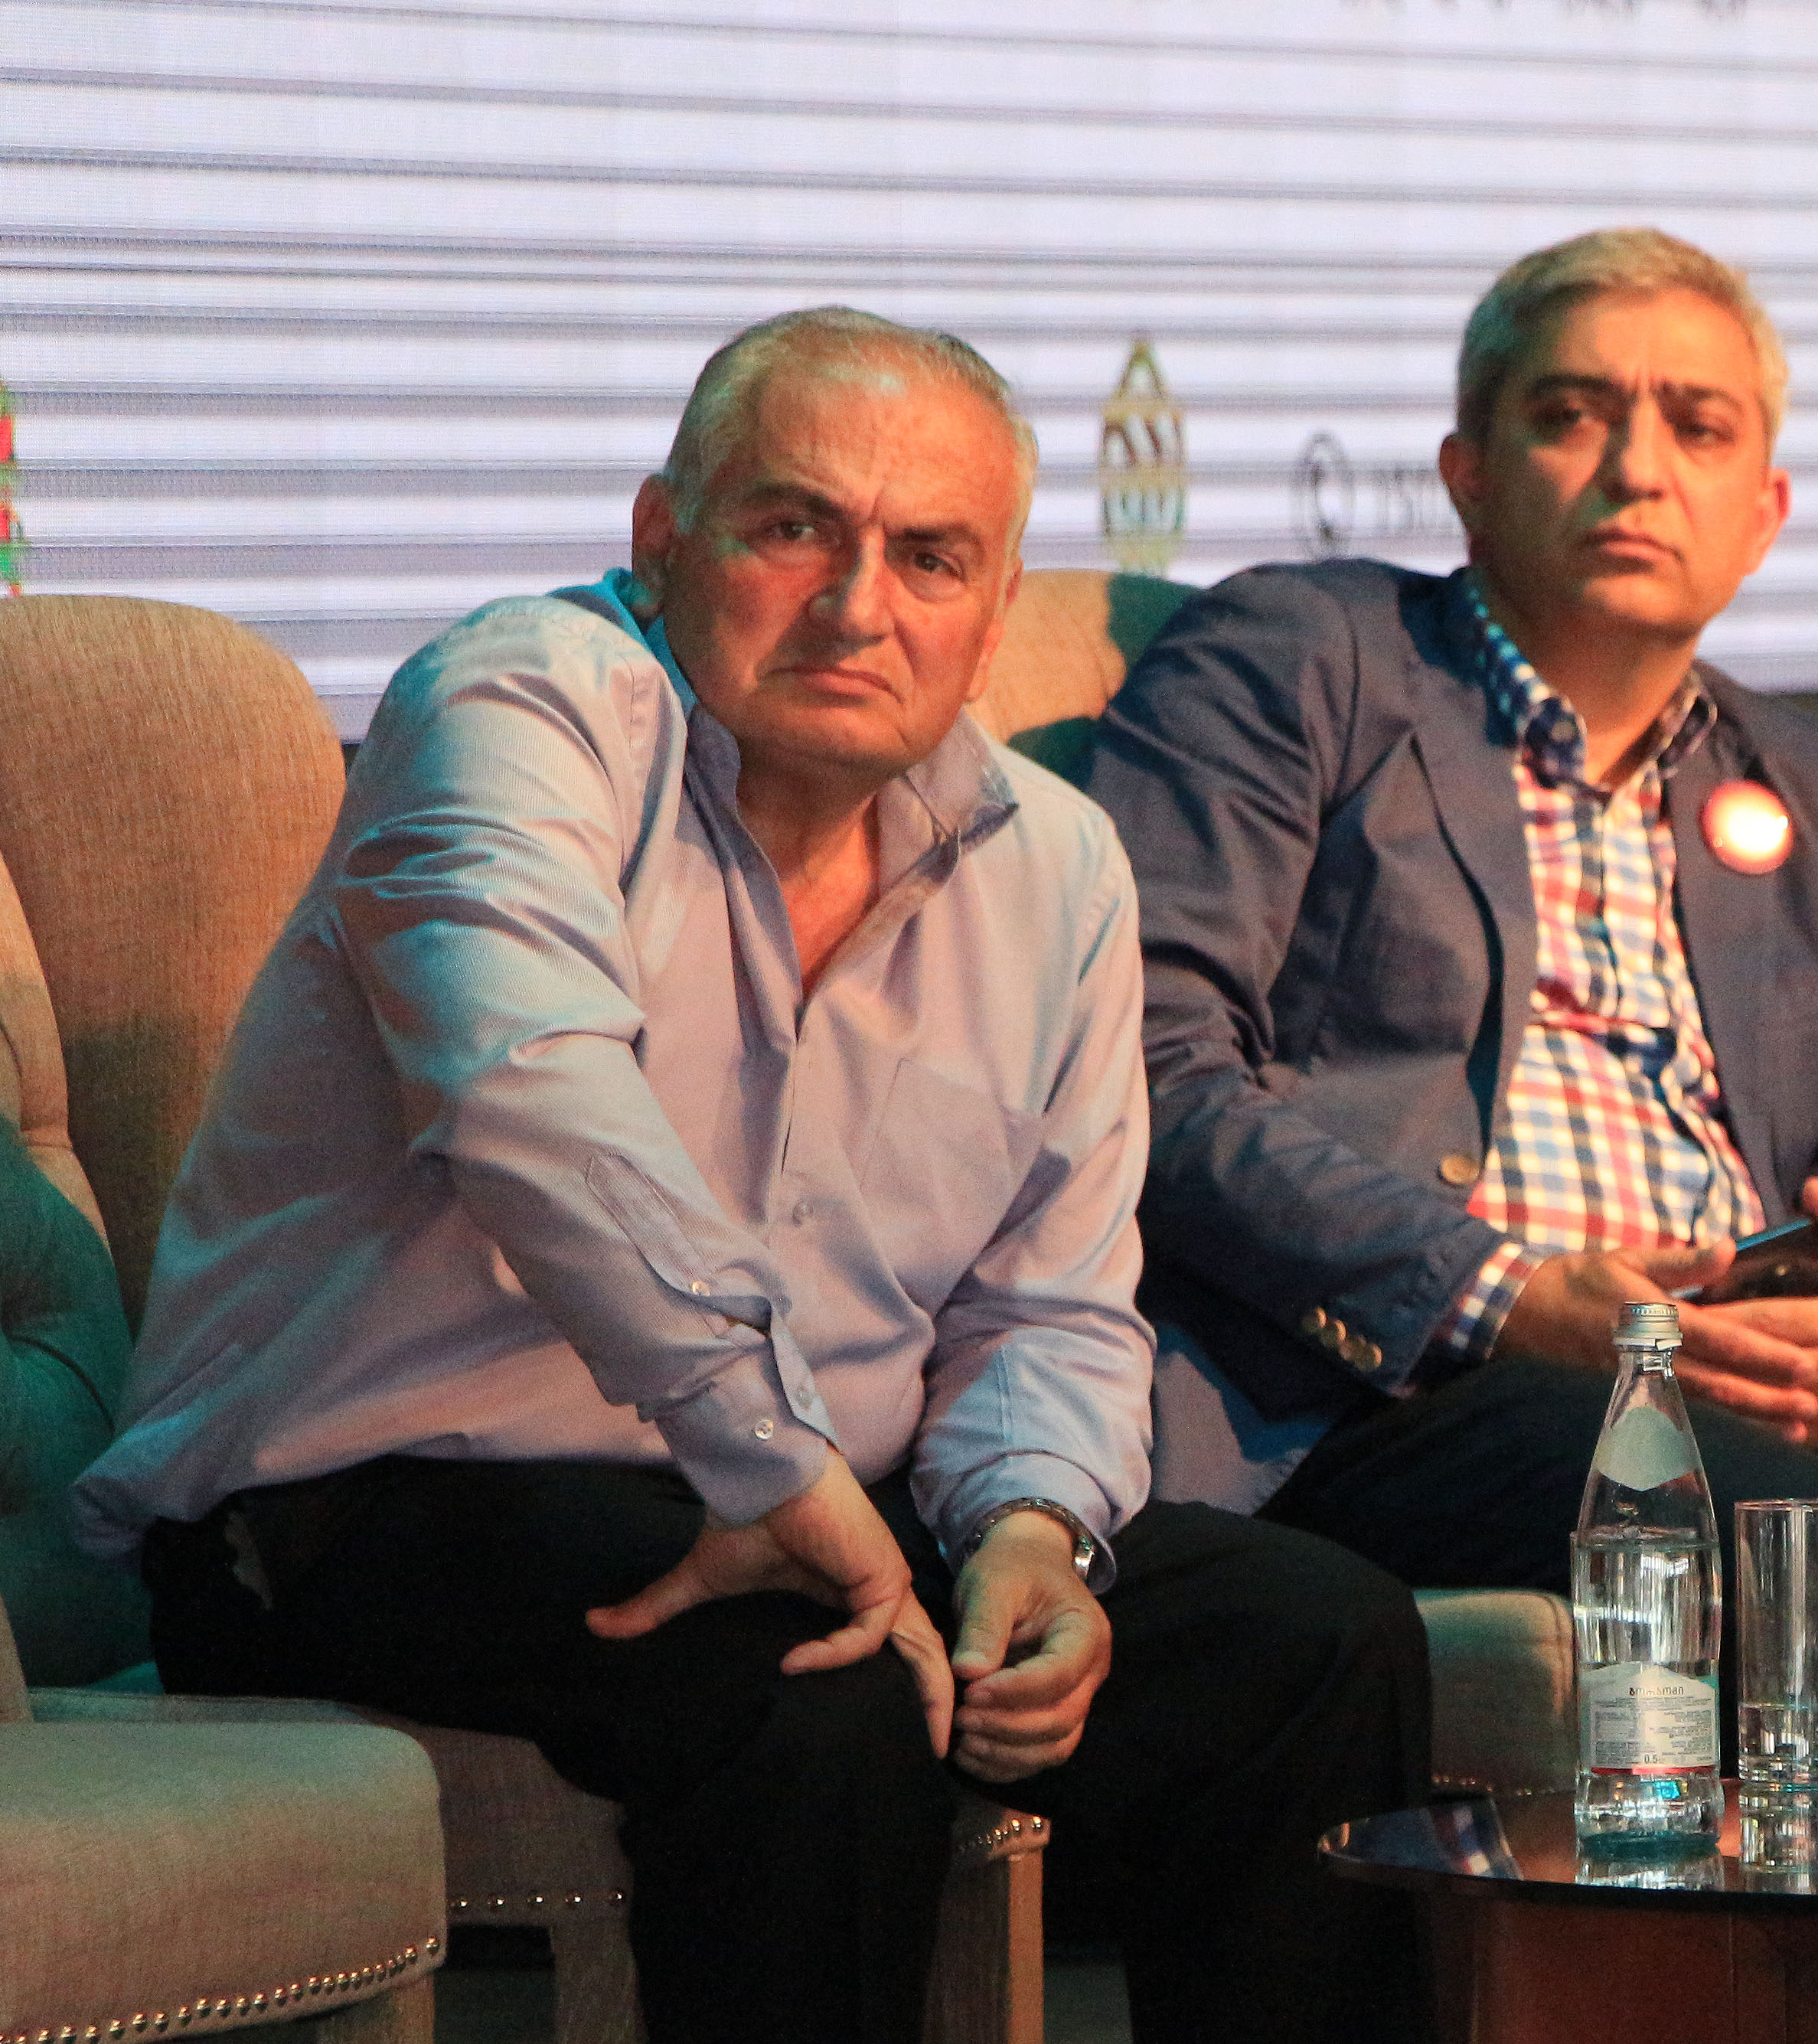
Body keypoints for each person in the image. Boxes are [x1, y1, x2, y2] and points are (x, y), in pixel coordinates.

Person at [73, 309, 1429, 2044]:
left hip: (815, 1502)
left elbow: (1047, 1295)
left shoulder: (1061, 867)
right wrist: (776, 1460)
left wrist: (1032, 1530)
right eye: (796, 528)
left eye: (930, 557)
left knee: (1313, 1642)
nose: (860, 606)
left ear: (995, 610)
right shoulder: (514, 705)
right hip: (367, 1506)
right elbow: (529, 1095)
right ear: (663, 536)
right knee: (816, 1688)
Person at [1085, 228, 1818, 1766]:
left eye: (1699, 427)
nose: (1637, 469)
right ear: (1467, 473)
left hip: (1764, 1381)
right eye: (1571, 415)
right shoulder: (1304, 657)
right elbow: (1149, 1066)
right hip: (1423, 1386)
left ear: (1764, 514)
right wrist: (1505, 1293)